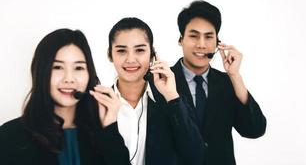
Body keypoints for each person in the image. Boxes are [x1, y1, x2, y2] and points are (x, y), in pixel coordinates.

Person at [0, 29, 130, 165]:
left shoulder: (102, 136)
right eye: (57, 67)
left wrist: (110, 128)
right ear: (41, 73)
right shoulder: (10, 136)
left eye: (78, 68)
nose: (69, 79)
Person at [171, 0, 267, 165]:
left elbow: (254, 129)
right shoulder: (162, 82)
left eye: (209, 37)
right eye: (194, 36)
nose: (201, 45)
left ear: (218, 43)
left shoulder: (228, 83)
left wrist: (235, 76)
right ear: (181, 39)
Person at [101, 17, 204, 165]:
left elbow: (196, 157)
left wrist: (171, 96)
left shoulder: (170, 101)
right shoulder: (99, 106)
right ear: (110, 55)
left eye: (140, 50)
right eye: (122, 51)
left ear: (152, 55)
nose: (130, 59)